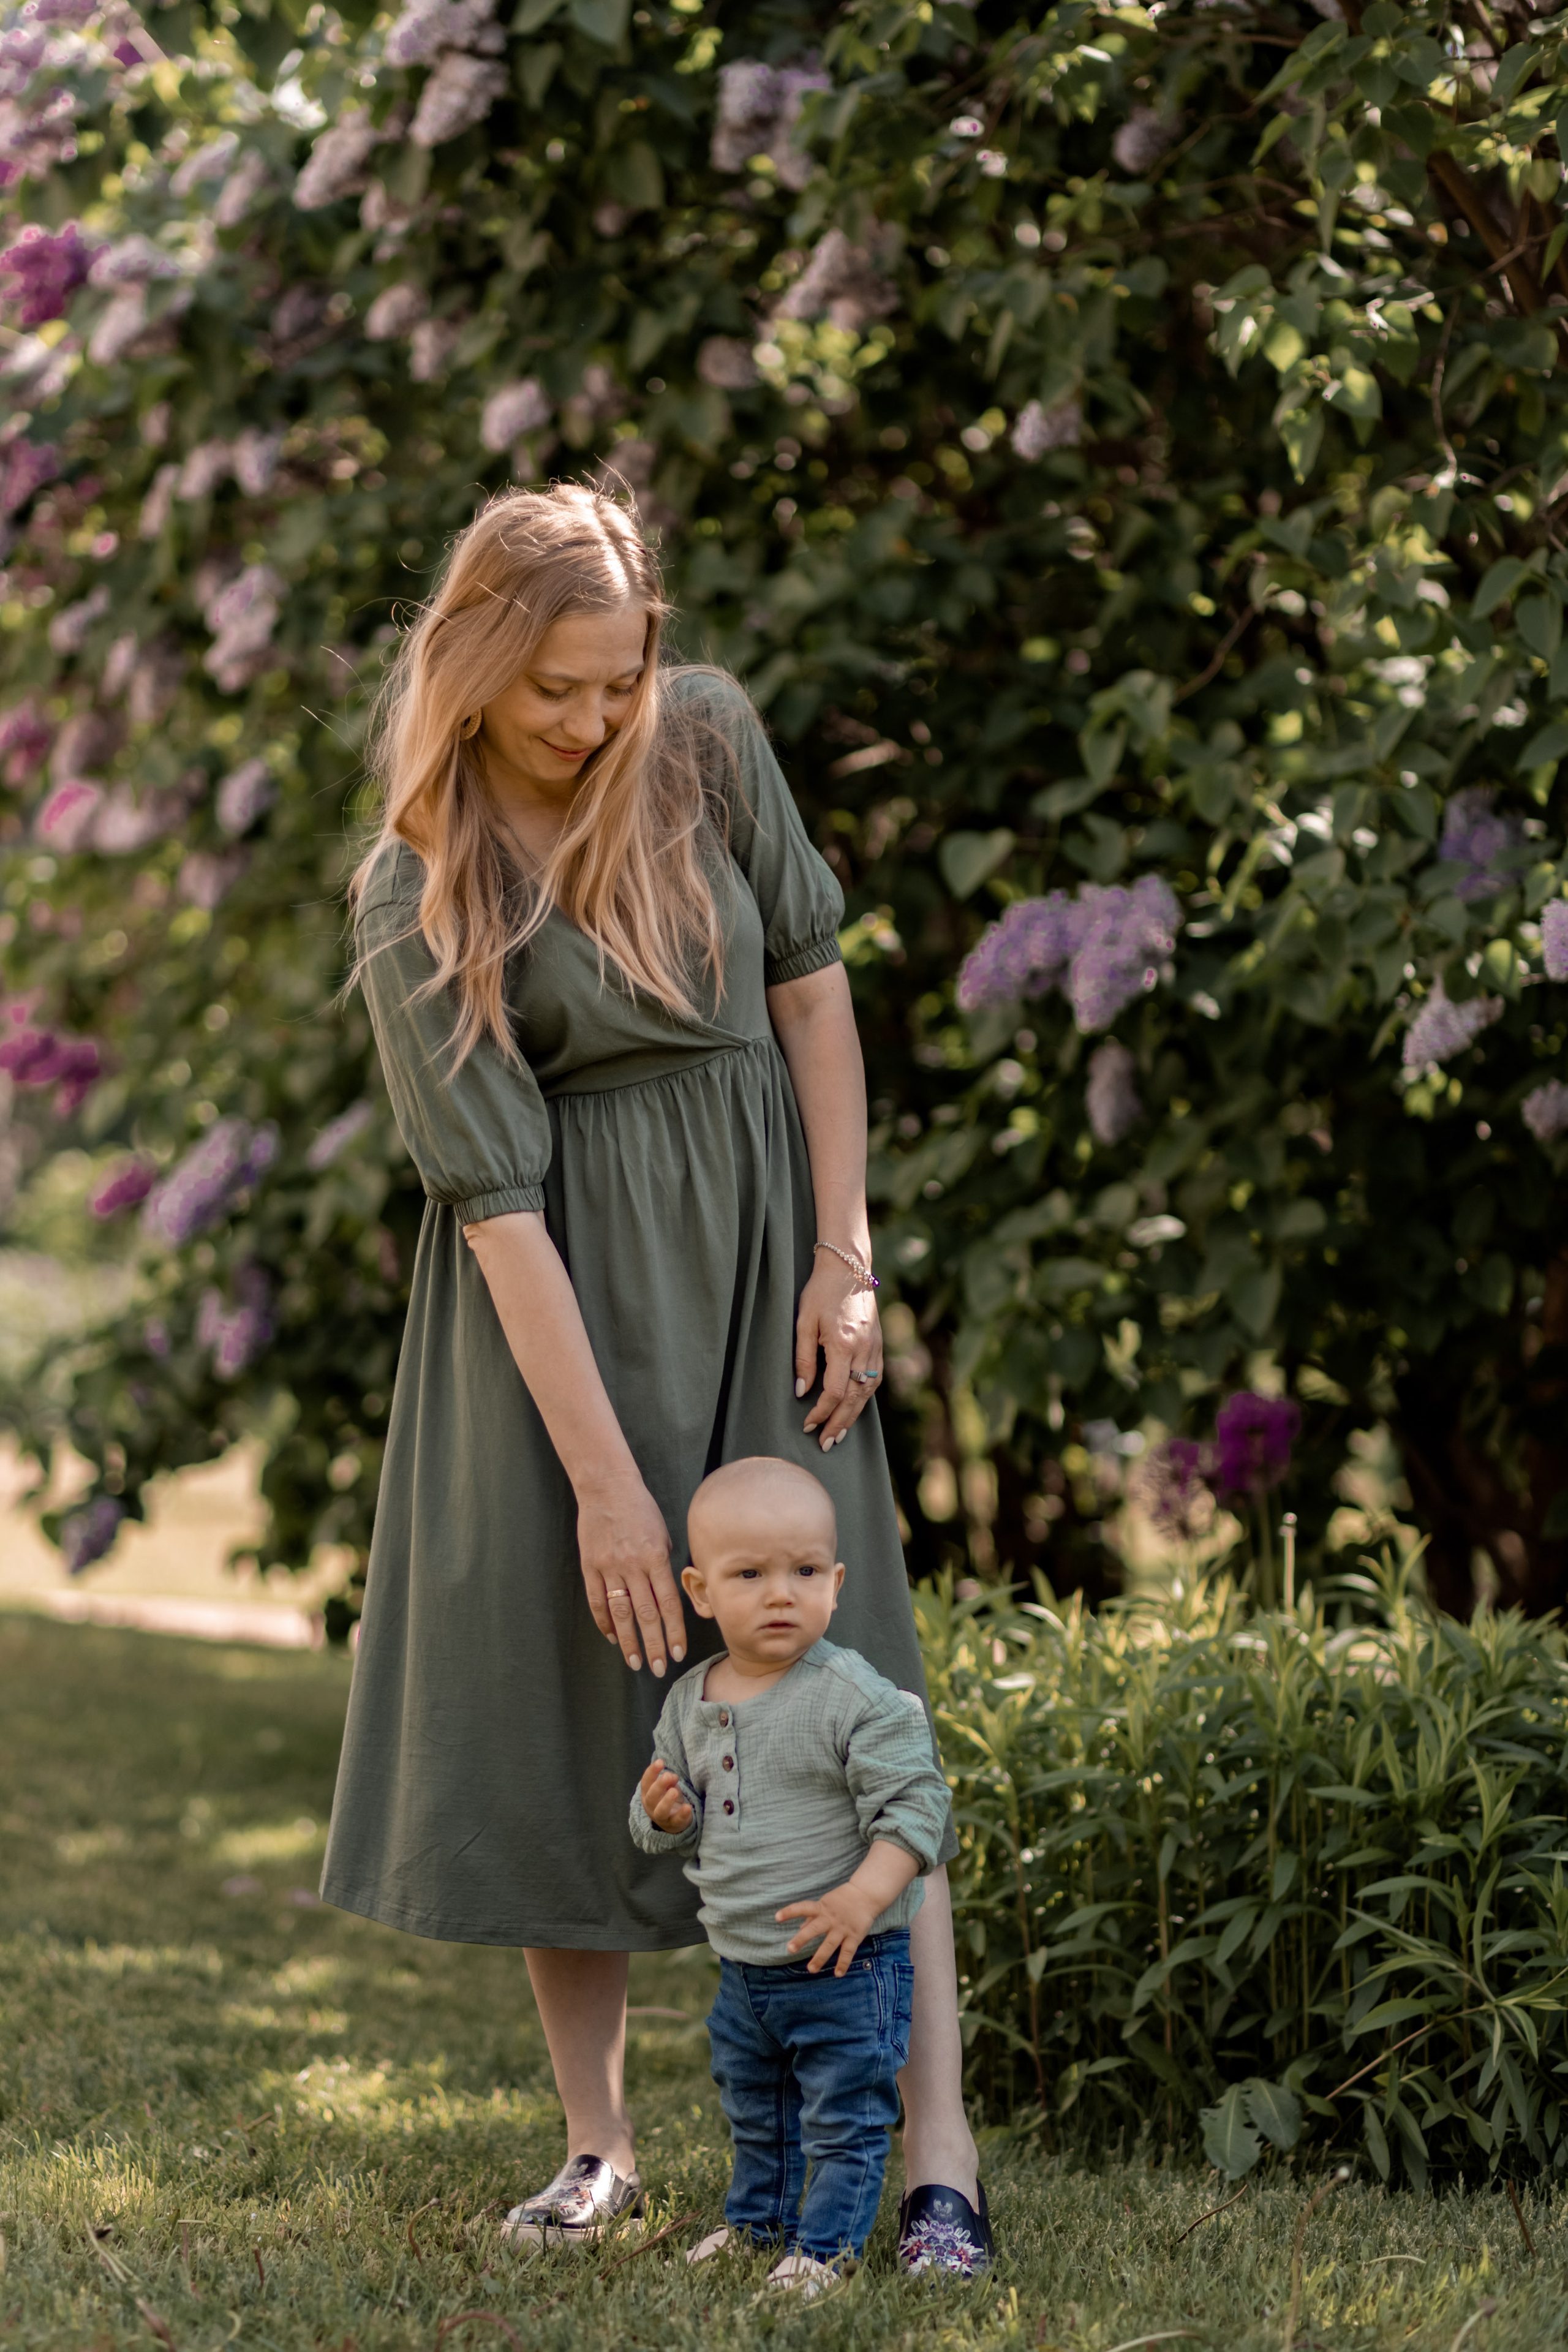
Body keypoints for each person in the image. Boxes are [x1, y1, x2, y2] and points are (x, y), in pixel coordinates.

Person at [318, 481, 992, 2277]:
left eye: (620, 676)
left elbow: (813, 989)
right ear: (468, 668)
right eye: (557, 687)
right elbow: (497, 1207)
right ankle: (600, 2151)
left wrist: (848, 1260)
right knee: (576, 1692)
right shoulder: (419, 879)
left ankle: (940, 2154)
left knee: (842, 1686)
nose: (596, 718)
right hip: (557, 1321)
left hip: (770, 1273)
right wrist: (607, 1483)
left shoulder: (700, 743)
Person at [630, 1456, 954, 2293]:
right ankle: (756, 2229)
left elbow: (918, 1807)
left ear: (837, 1584)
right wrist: (666, 1817)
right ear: (700, 1592)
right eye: (751, 1574)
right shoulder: (690, 1703)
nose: (782, 1593)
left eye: (805, 1571)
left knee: (845, 2119)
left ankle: (824, 2253)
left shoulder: (850, 1694)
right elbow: (671, 1820)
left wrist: (862, 1896)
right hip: (744, 1968)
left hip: (847, 1964)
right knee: (759, 2112)